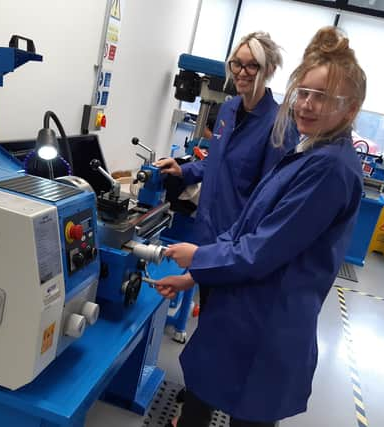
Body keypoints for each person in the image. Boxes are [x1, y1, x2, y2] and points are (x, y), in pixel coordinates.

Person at [155, 26, 366, 427]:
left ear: (350, 109)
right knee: (201, 389)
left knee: (248, 412)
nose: (305, 104)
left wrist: (200, 258)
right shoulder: (306, 150)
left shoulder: (327, 169)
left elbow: (261, 248)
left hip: (265, 320)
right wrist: (195, 271)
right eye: (302, 92)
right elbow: (254, 213)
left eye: (321, 97)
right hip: (239, 295)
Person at [155, 31, 287, 313]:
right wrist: (183, 169)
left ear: (270, 70)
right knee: (209, 313)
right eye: (237, 64)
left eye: (252, 65)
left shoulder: (278, 125)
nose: (242, 72)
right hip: (207, 232)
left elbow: (270, 201)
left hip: (237, 247)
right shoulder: (228, 109)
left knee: (223, 323)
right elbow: (215, 163)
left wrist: (233, 252)